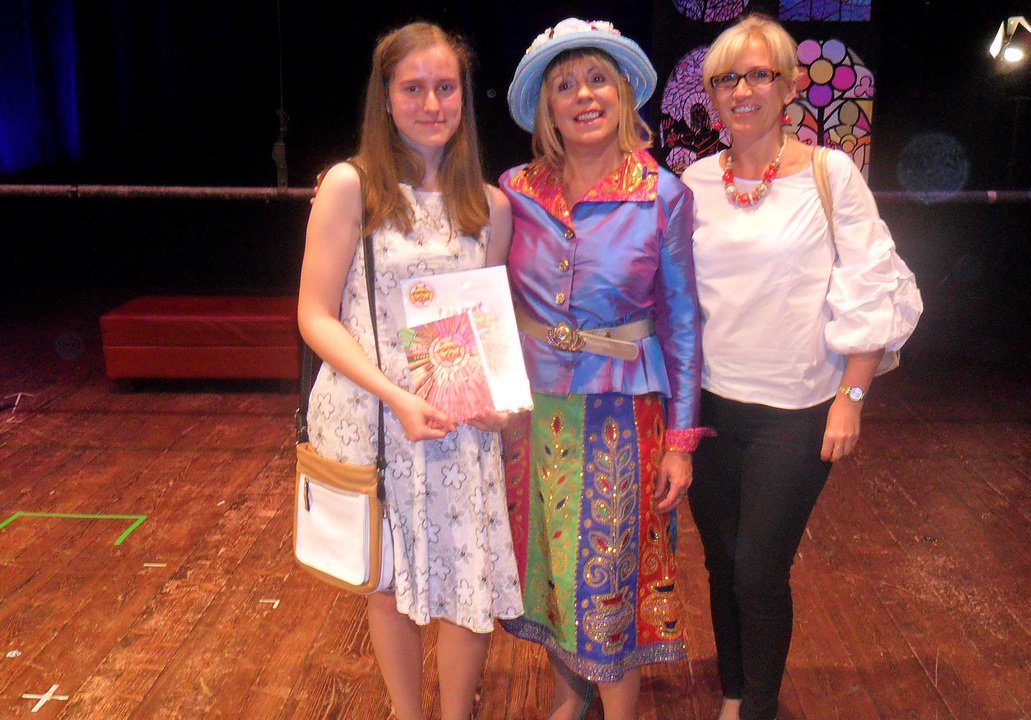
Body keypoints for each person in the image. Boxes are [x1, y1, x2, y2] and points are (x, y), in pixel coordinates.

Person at [680, 14, 923, 720]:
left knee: (759, 569)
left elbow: (872, 283)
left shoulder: (830, 173)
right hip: (709, 406)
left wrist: (852, 396)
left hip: (797, 410)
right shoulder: (693, 181)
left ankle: (758, 705)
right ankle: (733, 693)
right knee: (720, 564)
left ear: (788, 85)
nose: (743, 90)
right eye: (727, 78)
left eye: (759, 74)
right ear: (712, 94)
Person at [296, 22, 521, 720]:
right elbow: (315, 315)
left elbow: (483, 325)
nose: (431, 103)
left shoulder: (491, 206)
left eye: (445, 87)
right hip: (376, 416)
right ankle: (407, 712)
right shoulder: (351, 186)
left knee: (468, 581)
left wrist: (498, 401)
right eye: (414, 88)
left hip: (457, 420)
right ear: (386, 97)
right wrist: (394, 395)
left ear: (464, 97)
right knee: (387, 581)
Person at [498, 17, 706, 720]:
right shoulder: (514, 190)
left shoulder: (662, 194)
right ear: (546, 107)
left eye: (596, 80)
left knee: (610, 573)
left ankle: (618, 711)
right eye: (564, 85)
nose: (583, 95)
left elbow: (682, 323)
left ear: (622, 94)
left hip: (622, 416)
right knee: (549, 570)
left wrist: (681, 440)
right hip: (530, 413)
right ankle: (569, 696)